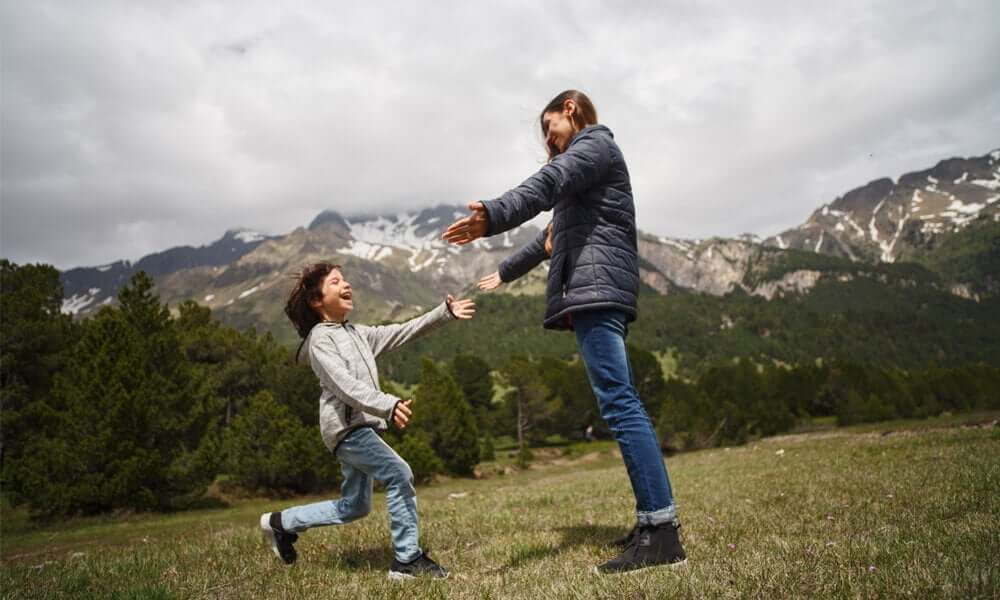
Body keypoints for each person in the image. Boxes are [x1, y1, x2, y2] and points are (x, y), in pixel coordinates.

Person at [442, 90, 687, 574]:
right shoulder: (585, 170)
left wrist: (493, 213)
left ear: (570, 109)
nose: (549, 141)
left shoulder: (594, 147)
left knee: (620, 403)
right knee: (620, 402)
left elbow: (547, 182)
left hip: (598, 290)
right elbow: (549, 238)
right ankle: (651, 522)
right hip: (597, 289)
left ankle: (661, 530)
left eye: (549, 126)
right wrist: (506, 272)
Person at [259, 262, 475, 580]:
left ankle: (281, 523)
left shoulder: (359, 334)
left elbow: (403, 331)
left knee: (355, 506)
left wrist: (443, 312)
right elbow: (344, 385)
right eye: (335, 282)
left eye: (345, 280)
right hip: (347, 429)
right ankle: (407, 561)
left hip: (359, 427)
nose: (346, 285)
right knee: (400, 474)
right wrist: (388, 404)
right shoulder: (321, 341)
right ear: (316, 300)